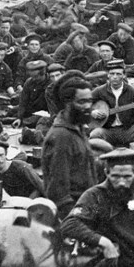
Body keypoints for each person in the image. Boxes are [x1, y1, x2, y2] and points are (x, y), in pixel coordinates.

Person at [41, 72, 97, 218]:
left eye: (90, 101)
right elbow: (58, 193)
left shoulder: (77, 129)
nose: (88, 106)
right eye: (81, 102)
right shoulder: (61, 137)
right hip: (73, 215)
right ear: (67, 103)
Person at [89, 60, 134, 151]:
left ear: (124, 75)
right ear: (108, 75)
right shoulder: (100, 90)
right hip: (107, 130)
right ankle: (101, 160)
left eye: (118, 74)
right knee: (94, 134)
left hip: (127, 130)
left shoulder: (132, 91)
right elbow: (85, 103)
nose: (115, 77)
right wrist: (92, 112)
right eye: (112, 74)